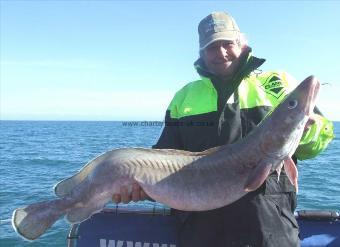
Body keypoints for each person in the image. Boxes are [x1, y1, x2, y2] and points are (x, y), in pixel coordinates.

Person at [113, 12, 334, 247]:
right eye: (212, 47)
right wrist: (139, 186)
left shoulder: (277, 83)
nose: (221, 52)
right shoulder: (184, 96)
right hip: (200, 236)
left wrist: (305, 131)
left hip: (269, 233)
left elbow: (320, 139)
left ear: (242, 42)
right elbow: (164, 157)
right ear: (201, 52)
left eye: (227, 43)